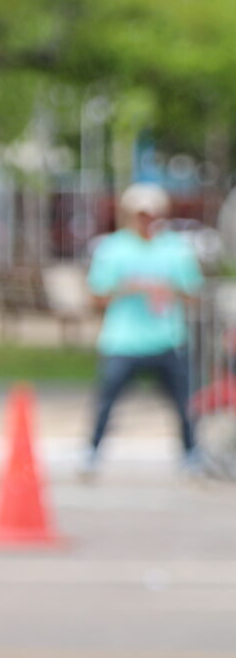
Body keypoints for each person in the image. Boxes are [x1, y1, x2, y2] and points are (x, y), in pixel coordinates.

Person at [84, 182, 205, 477]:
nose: (147, 221)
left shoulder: (175, 249)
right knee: (106, 400)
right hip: (123, 340)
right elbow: (96, 296)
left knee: (184, 402)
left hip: (167, 338)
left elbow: (194, 292)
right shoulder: (112, 249)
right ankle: (91, 452)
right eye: (141, 214)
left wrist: (169, 290)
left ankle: (191, 455)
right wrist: (129, 287)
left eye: (151, 214)